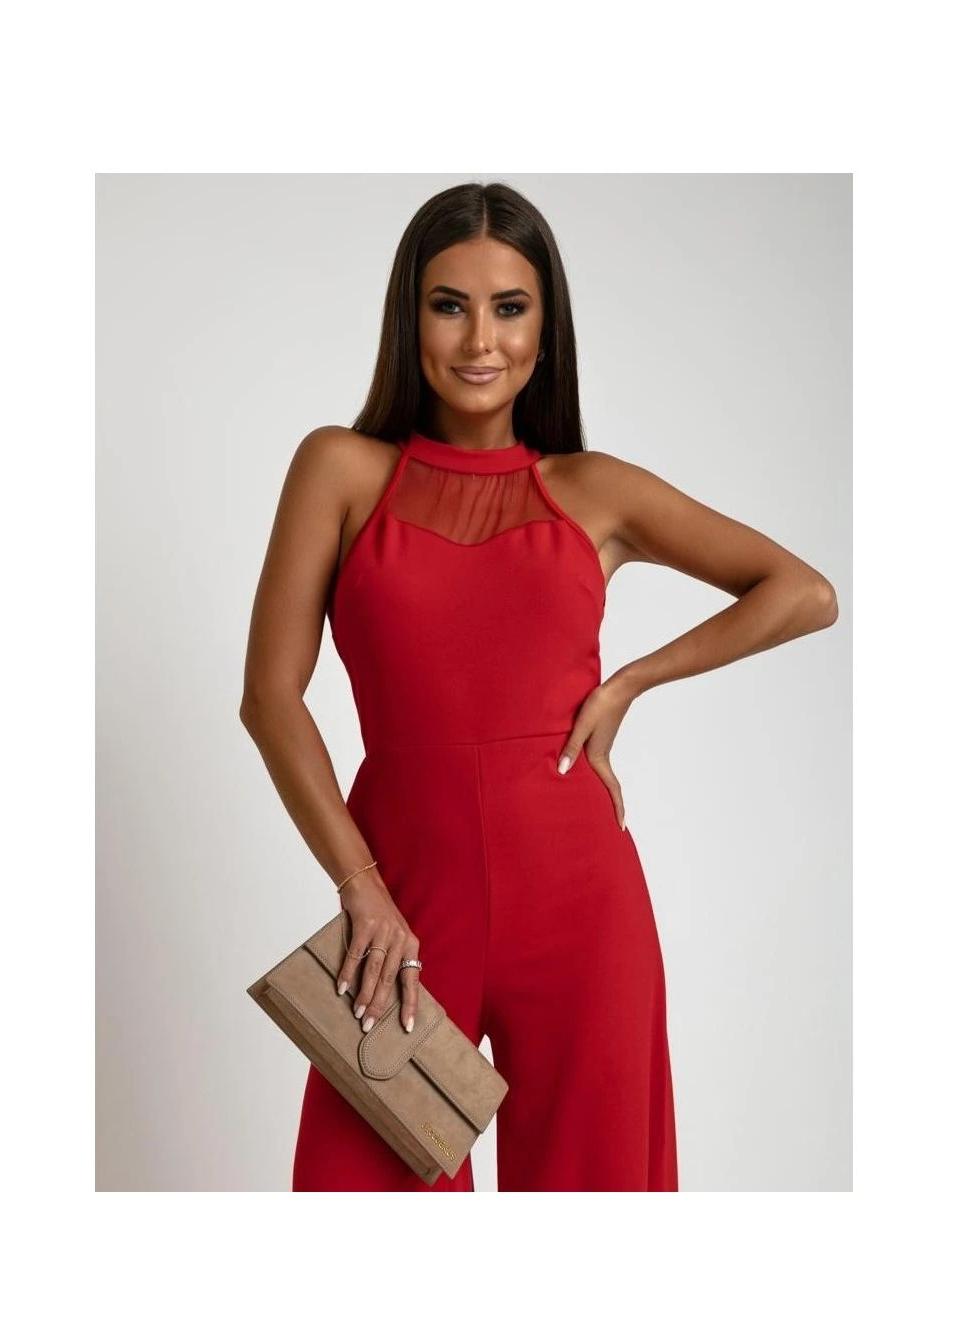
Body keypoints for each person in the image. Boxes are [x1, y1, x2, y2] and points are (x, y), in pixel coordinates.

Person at [238, 181, 839, 1192]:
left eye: (509, 307)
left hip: (579, 900)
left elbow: (804, 592)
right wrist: (360, 887)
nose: (481, 339)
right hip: (401, 900)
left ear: (545, 328)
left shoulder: (591, 490)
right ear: (409, 320)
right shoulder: (340, 470)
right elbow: (269, 697)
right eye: (449, 304)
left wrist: (630, 683)